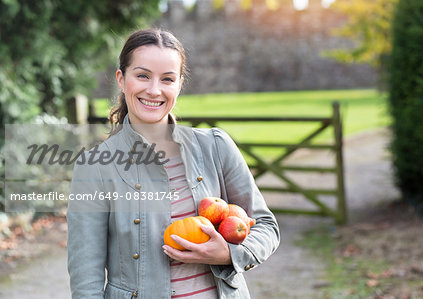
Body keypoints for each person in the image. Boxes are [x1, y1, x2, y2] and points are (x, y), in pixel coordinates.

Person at [67, 28, 280, 299]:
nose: (154, 90)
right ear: (122, 79)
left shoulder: (215, 146)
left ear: (179, 84)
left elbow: (265, 226)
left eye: (167, 79)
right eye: (142, 75)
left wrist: (229, 254)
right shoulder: (94, 167)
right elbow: (86, 279)